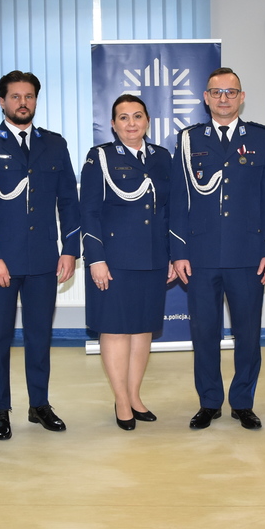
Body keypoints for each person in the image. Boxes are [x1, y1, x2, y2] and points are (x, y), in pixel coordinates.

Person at [0, 70, 81, 440]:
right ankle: (1, 409)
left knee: (39, 337)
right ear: (2, 101)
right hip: (1, 261)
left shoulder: (54, 144)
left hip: (44, 259)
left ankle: (39, 405)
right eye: (15, 96)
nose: (22, 103)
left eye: (29, 96)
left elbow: (69, 200)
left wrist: (70, 250)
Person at [170, 68, 265, 430]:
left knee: (248, 333)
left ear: (241, 97)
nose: (223, 98)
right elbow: (178, 199)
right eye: (216, 92)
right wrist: (179, 252)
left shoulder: (261, 138)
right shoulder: (189, 139)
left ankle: (243, 402)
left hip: (248, 254)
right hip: (200, 256)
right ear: (206, 97)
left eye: (231, 92)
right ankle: (209, 402)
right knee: (204, 333)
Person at [81, 95, 174, 429]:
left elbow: (170, 210)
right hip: (114, 259)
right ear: (113, 124)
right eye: (123, 117)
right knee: (117, 330)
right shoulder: (100, 157)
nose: (131, 123)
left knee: (143, 330)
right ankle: (121, 400)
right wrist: (96, 259)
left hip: (153, 257)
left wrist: (172, 255)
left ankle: (134, 396)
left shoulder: (162, 158)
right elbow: (88, 212)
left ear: (147, 120)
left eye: (137, 116)